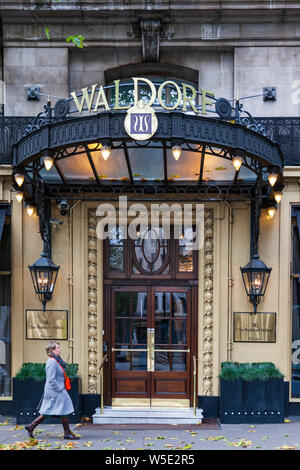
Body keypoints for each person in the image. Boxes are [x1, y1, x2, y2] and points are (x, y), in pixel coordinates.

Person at [25, 341, 79, 440]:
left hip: (55, 389)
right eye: (58, 348)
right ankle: (67, 433)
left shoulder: (56, 360)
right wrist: (60, 388)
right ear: (52, 350)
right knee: (64, 408)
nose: (60, 349)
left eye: (59, 347)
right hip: (55, 390)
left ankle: (31, 426)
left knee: (50, 410)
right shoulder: (52, 362)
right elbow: (51, 379)